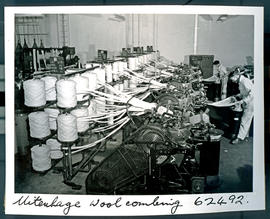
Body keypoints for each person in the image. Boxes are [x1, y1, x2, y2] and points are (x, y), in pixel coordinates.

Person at [229, 68, 254, 144]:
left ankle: (239, 138)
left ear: (236, 76)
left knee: (244, 120)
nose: (232, 80)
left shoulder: (245, 81)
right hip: (247, 101)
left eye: (232, 78)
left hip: (251, 102)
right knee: (246, 119)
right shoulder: (240, 82)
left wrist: (243, 101)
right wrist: (238, 95)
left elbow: (252, 93)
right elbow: (244, 92)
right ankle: (244, 134)